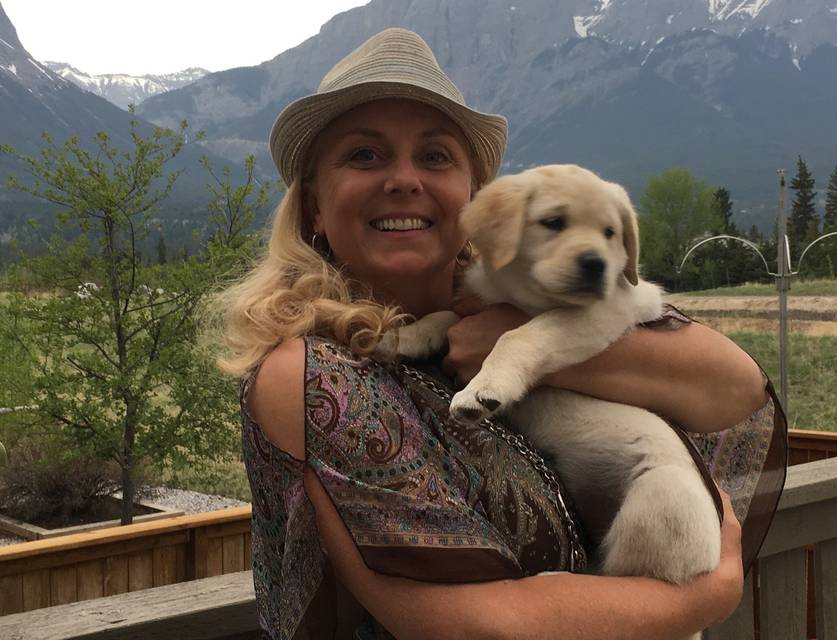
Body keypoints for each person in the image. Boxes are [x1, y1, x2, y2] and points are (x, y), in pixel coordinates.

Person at [217, 28, 786, 640]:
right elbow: (477, 626)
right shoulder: (314, 377)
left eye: (435, 156)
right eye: (365, 155)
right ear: (314, 209)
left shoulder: (501, 319)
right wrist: (710, 593)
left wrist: (518, 344)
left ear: (473, 201)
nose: (404, 179)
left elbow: (739, 388)